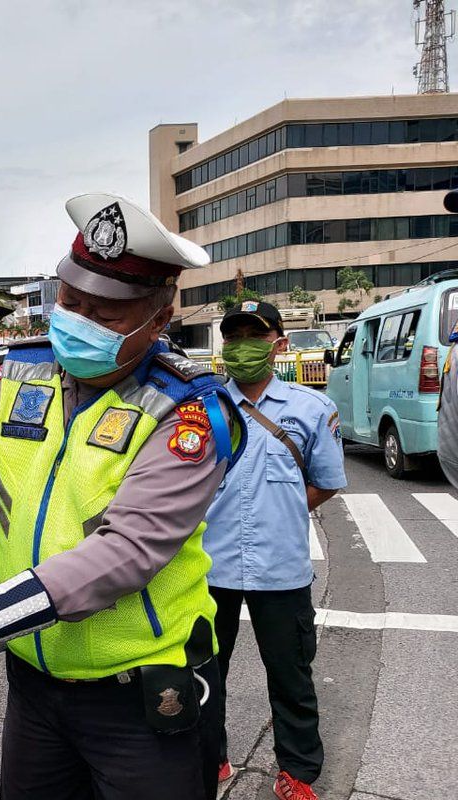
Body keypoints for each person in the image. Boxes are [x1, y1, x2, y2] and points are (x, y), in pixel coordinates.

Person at [0, 193, 248, 800]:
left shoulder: (188, 411)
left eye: (105, 315)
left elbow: (124, 553)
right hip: (35, 683)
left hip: (142, 692)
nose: (77, 321)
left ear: (158, 320)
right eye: (71, 302)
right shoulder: (23, 371)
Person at [206, 301, 346, 800]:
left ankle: (298, 770)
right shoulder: (202, 408)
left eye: (255, 335)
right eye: (235, 336)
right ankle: (209, 757)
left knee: (291, 675)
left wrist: (281, 508)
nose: (243, 345)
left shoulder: (313, 409)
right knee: (204, 674)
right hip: (209, 567)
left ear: (279, 344)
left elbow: (326, 482)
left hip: (281, 569)